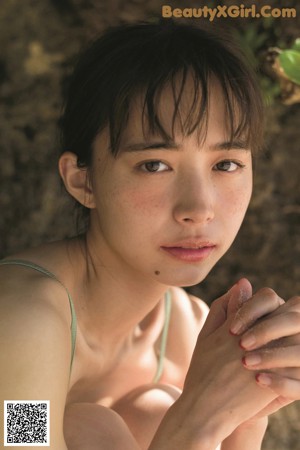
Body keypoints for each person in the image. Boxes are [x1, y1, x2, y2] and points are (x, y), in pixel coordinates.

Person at [0, 20, 299, 450]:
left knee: (152, 408)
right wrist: (196, 422)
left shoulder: (193, 333)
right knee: (93, 426)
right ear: (83, 181)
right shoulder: (21, 325)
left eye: (226, 164)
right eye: (154, 165)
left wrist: (247, 414)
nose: (199, 209)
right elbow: (22, 443)